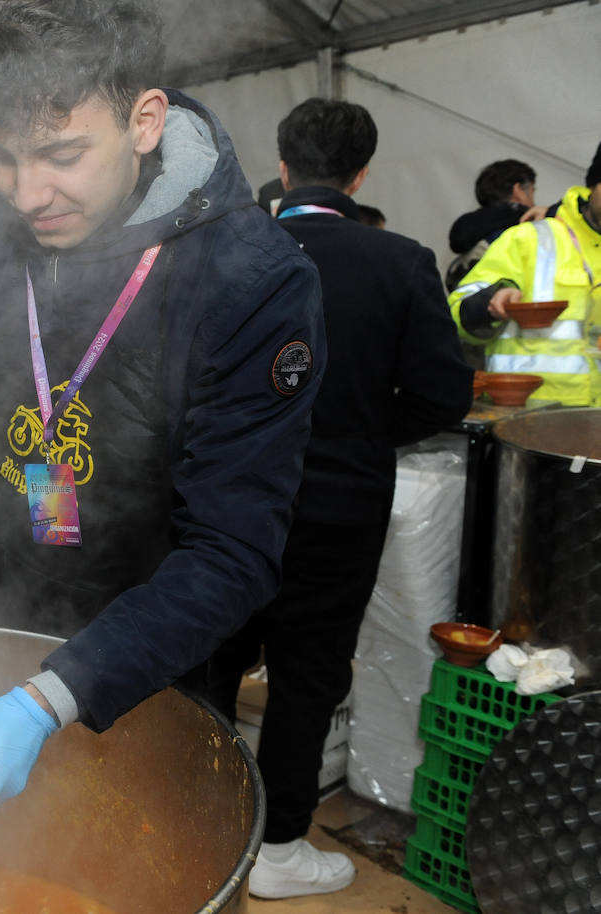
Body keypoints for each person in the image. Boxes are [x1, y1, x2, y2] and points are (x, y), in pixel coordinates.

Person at [0, 0, 325, 854]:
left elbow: (232, 554)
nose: (27, 192)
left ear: (144, 121)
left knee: (118, 849)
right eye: (4, 158)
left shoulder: (252, 279)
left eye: (62, 154)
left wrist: (54, 694)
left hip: (148, 636)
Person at [184, 98, 473, 899]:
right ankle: (278, 849)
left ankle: (195, 817)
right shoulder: (400, 261)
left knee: (210, 657)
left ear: (281, 166)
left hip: (226, 500)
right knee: (308, 677)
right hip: (340, 507)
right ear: (361, 173)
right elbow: (443, 396)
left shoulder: (220, 254)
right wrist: (361, 431)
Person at [449, 141, 601, 406]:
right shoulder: (530, 239)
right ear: (593, 186)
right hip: (527, 423)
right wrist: (491, 302)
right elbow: (455, 311)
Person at [445, 159, 543, 291]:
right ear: (518, 190)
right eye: (532, 192)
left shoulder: (468, 229)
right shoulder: (527, 227)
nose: (534, 203)